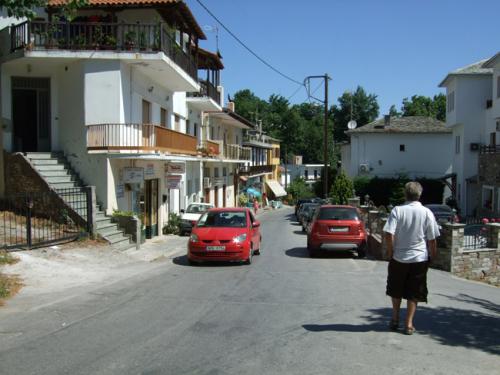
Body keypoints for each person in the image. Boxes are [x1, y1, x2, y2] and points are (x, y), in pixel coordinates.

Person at [383, 182, 440, 335]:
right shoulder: (427, 212)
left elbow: (389, 233)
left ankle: (395, 318)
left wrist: (391, 252)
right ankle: (408, 324)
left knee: (396, 289)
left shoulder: (397, 210)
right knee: (414, 291)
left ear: (405, 194)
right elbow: (432, 239)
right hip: (419, 258)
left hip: (399, 257)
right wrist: (432, 256)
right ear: (419, 195)